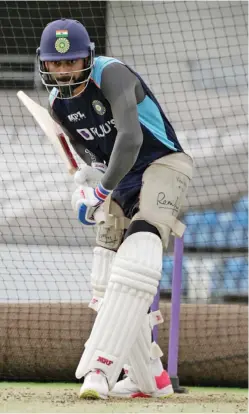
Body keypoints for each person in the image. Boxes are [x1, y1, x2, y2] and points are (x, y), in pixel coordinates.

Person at [37, 18, 193, 400]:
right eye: (56, 64)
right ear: (45, 64)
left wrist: (100, 192)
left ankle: (100, 369)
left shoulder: (113, 74)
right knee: (105, 275)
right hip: (122, 178)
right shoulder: (58, 106)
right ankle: (149, 377)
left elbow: (131, 137)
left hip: (162, 163)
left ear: (87, 57)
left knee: (140, 256)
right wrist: (90, 184)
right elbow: (101, 158)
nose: (63, 70)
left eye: (71, 61)